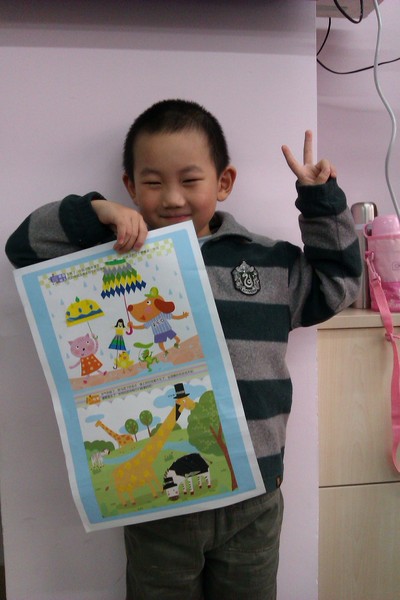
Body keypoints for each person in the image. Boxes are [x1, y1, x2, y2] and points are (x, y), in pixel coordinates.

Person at [5, 99, 361, 600]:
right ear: (131, 186)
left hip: (254, 498)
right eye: (153, 183)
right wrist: (97, 212)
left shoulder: (266, 262)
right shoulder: (114, 258)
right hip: (159, 503)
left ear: (224, 182)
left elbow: (340, 284)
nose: (172, 197)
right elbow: (23, 246)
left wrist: (321, 201)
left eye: (190, 180)